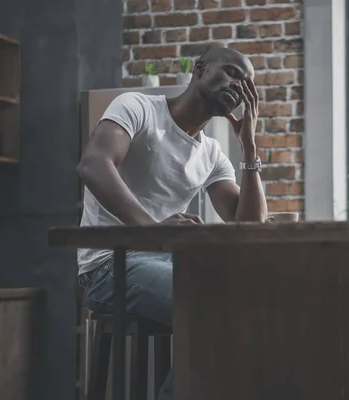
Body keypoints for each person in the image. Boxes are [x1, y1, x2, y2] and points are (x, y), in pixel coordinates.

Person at [76, 46, 268, 399]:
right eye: (231, 72)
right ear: (199, 69)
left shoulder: (211, 154)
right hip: (109, 264)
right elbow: (93, 165)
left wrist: (250, 148)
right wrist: (153, 231)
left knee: (259, 298)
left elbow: (250, 227)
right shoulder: (137, 107)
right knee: (211, 302)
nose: (239, 85)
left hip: (167, 263)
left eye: (247, 83)